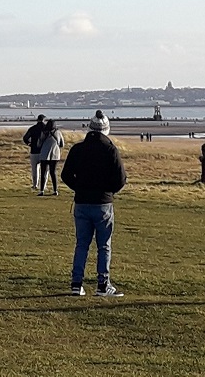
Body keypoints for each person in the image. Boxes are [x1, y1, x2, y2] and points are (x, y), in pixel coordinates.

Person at [61, 110, 127, 297]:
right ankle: (102, 285)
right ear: (106, 129)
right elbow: (121, 179)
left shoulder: (78, 149)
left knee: (81, 243)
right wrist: (108, 192)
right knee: (104, 245)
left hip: (82, 202)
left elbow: (66, 175)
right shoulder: (110, 149)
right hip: (103, 203)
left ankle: (76, 284)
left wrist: (79, 187)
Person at [37, 120, 64, 196]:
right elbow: (62, 144)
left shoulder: (44, 133)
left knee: (43, 173)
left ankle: (42, 190)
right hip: (55, 154)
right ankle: (55, 190)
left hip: (44, 154)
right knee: (53, 173)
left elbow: (39, 144)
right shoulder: (58, 132)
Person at [22, 114, 46, 189]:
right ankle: (43, 186)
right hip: (44, 151)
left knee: (35, 170)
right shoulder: (46, 129)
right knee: (45, 170)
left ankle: (35, 185)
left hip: (34, 151)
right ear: (44, 119)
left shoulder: (32, 128)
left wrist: (29, 144)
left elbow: (25, 138)